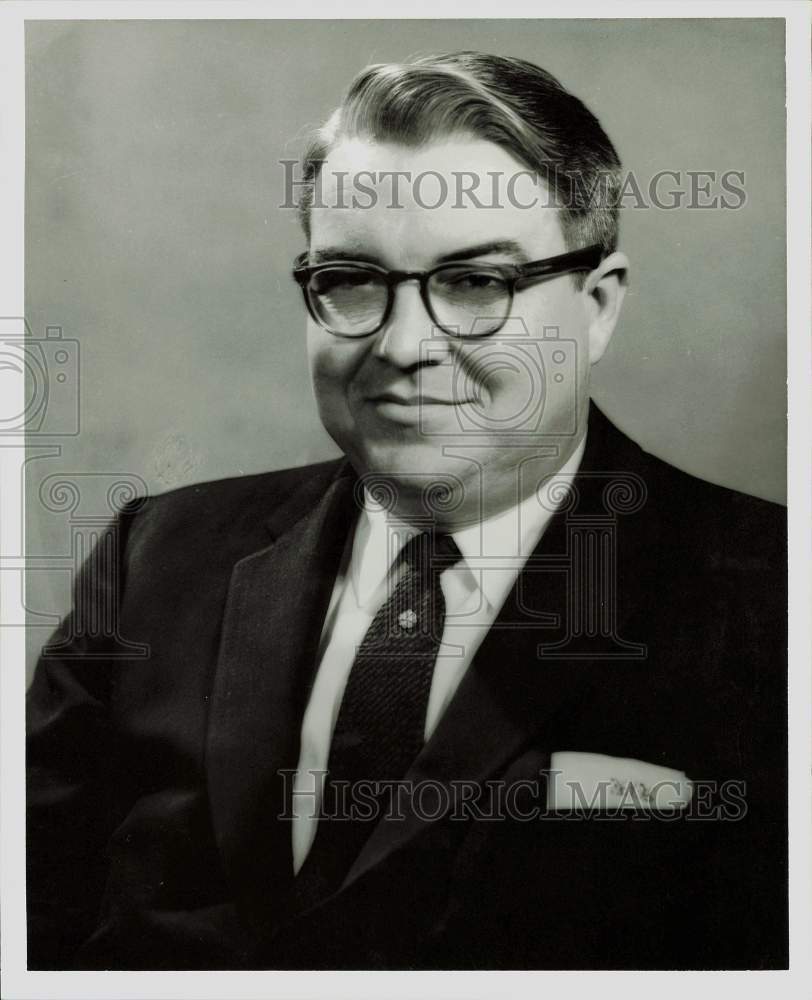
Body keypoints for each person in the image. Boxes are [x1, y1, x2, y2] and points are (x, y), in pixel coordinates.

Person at [26, 50, 787, 971]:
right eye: (352, 279)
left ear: (596, 307)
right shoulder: (154, 560)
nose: (405, 346)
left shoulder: (775, 600)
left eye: (477, 284)